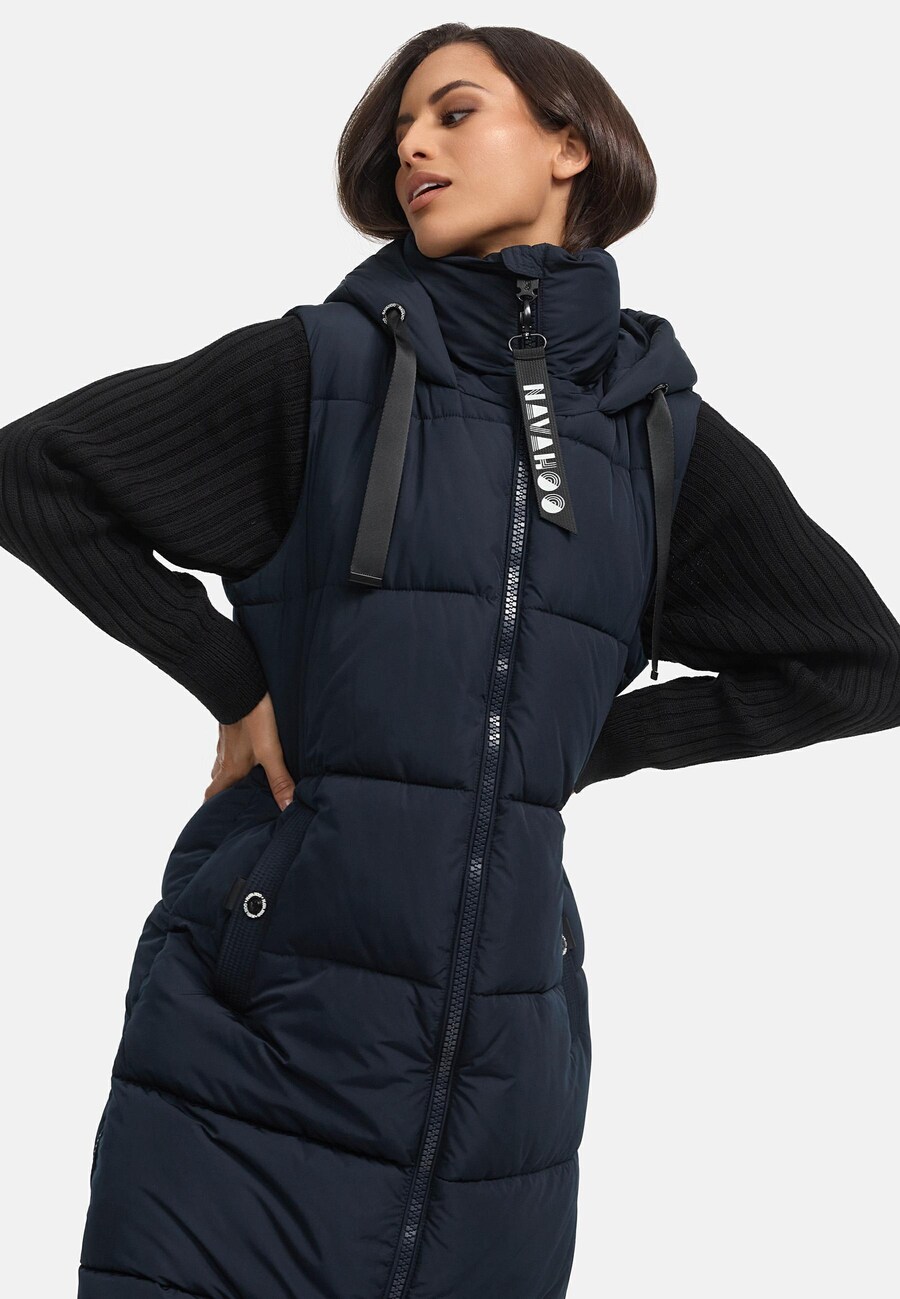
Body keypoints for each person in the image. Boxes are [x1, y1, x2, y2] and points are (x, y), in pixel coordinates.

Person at [2, 22, 899, 1299]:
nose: (413, 147)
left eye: (455, 112)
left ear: (571, 145)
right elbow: (35, 476)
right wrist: (231, 680)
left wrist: (586, 746)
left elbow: (863, 665)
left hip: (501, 1064)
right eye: (401, 133)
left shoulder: (659, 436)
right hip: (261, 1015)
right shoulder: (327, 370)